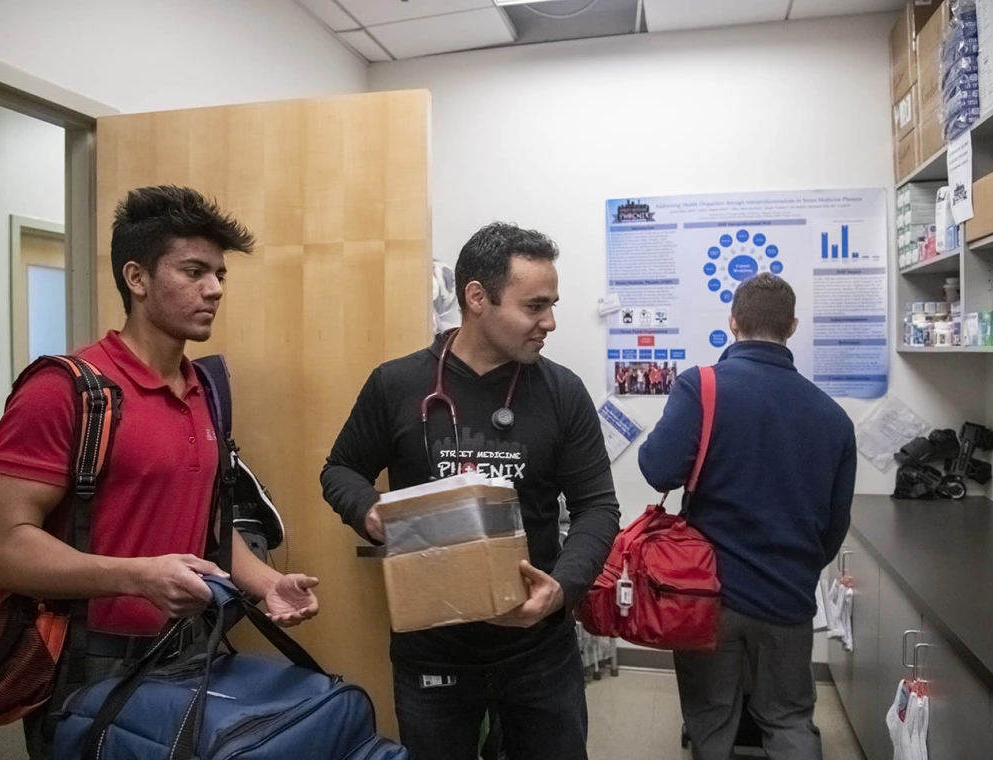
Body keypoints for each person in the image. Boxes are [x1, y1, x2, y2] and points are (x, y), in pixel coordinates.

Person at [0, 186, 321, 759]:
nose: (214, 289)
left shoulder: (203, 387)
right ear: (136, 278)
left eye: (219, 273)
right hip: (87, 668)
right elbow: (1, 550)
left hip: (189, 653)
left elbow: (204, 523)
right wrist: (137, 575)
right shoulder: (65, 390)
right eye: (193, 271)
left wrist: (266, 584)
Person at [321, 222, 620, 760]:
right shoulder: (397, 385)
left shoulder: (562, 392)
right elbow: (341, 470)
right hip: (433, 650)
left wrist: (562, 586)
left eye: (551, 305)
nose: (549, 322)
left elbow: (597, 506)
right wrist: (370, 513)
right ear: (476, 298)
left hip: (539, 651)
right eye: (534, 306)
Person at [638, 273, 855, 760]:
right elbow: (835, 524)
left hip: (707, 594)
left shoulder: (703, 386)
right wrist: (795, 572)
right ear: (793, 327)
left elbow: (658, 470)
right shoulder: (833, 417)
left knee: (711, 719)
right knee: (789, 718)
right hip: (788, 597)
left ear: (732, 322)